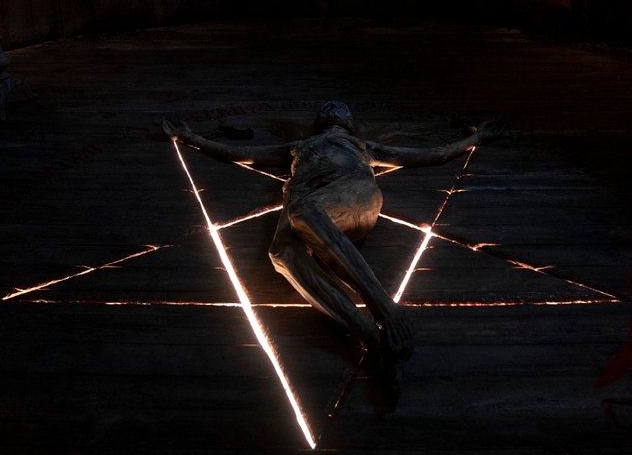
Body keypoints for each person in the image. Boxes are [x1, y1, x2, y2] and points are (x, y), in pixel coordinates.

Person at [162, 101, 500, 367]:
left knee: (303, 212)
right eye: (327, 108)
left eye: (339, 109)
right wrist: (191, 138)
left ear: (349, 124)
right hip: (305, 198)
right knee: (282, 254)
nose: (332, 108)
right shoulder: (298, 147)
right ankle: (370, 336)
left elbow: (433, 155)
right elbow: (241, 153)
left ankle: (386, 309)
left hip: (350, 194)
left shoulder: (361, 146)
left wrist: (474, 139)